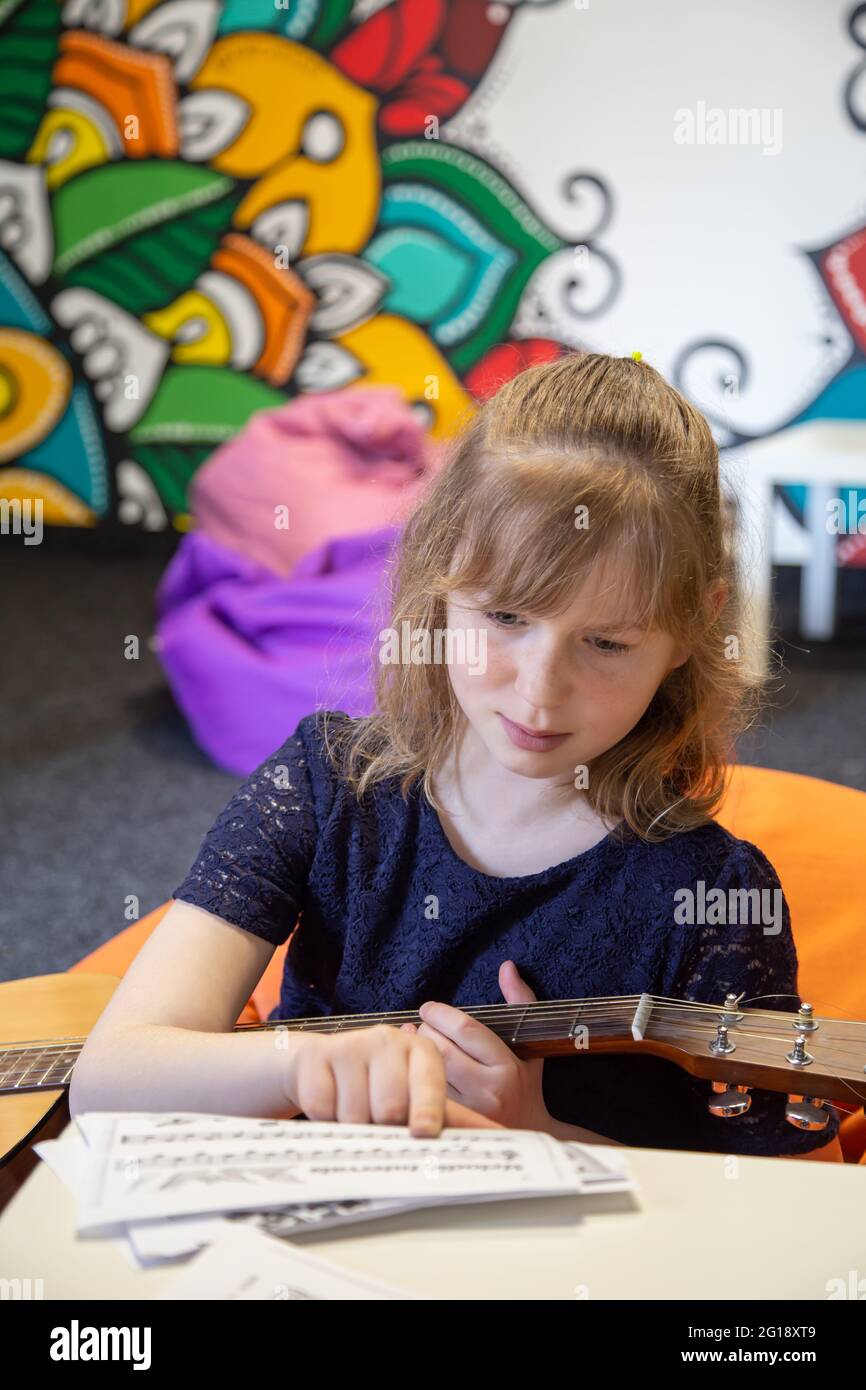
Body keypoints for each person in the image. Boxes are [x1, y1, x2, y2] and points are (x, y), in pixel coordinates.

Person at [70, 350, 842, 1159]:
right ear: (439, 577)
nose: (542, 691)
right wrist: (308, 1065)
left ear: (693, 627)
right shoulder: (324, 785)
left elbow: (775, 1194)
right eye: (506, 617)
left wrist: (541, 1135)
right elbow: (109, 1079)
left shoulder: (711, 892)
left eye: (607, 642)